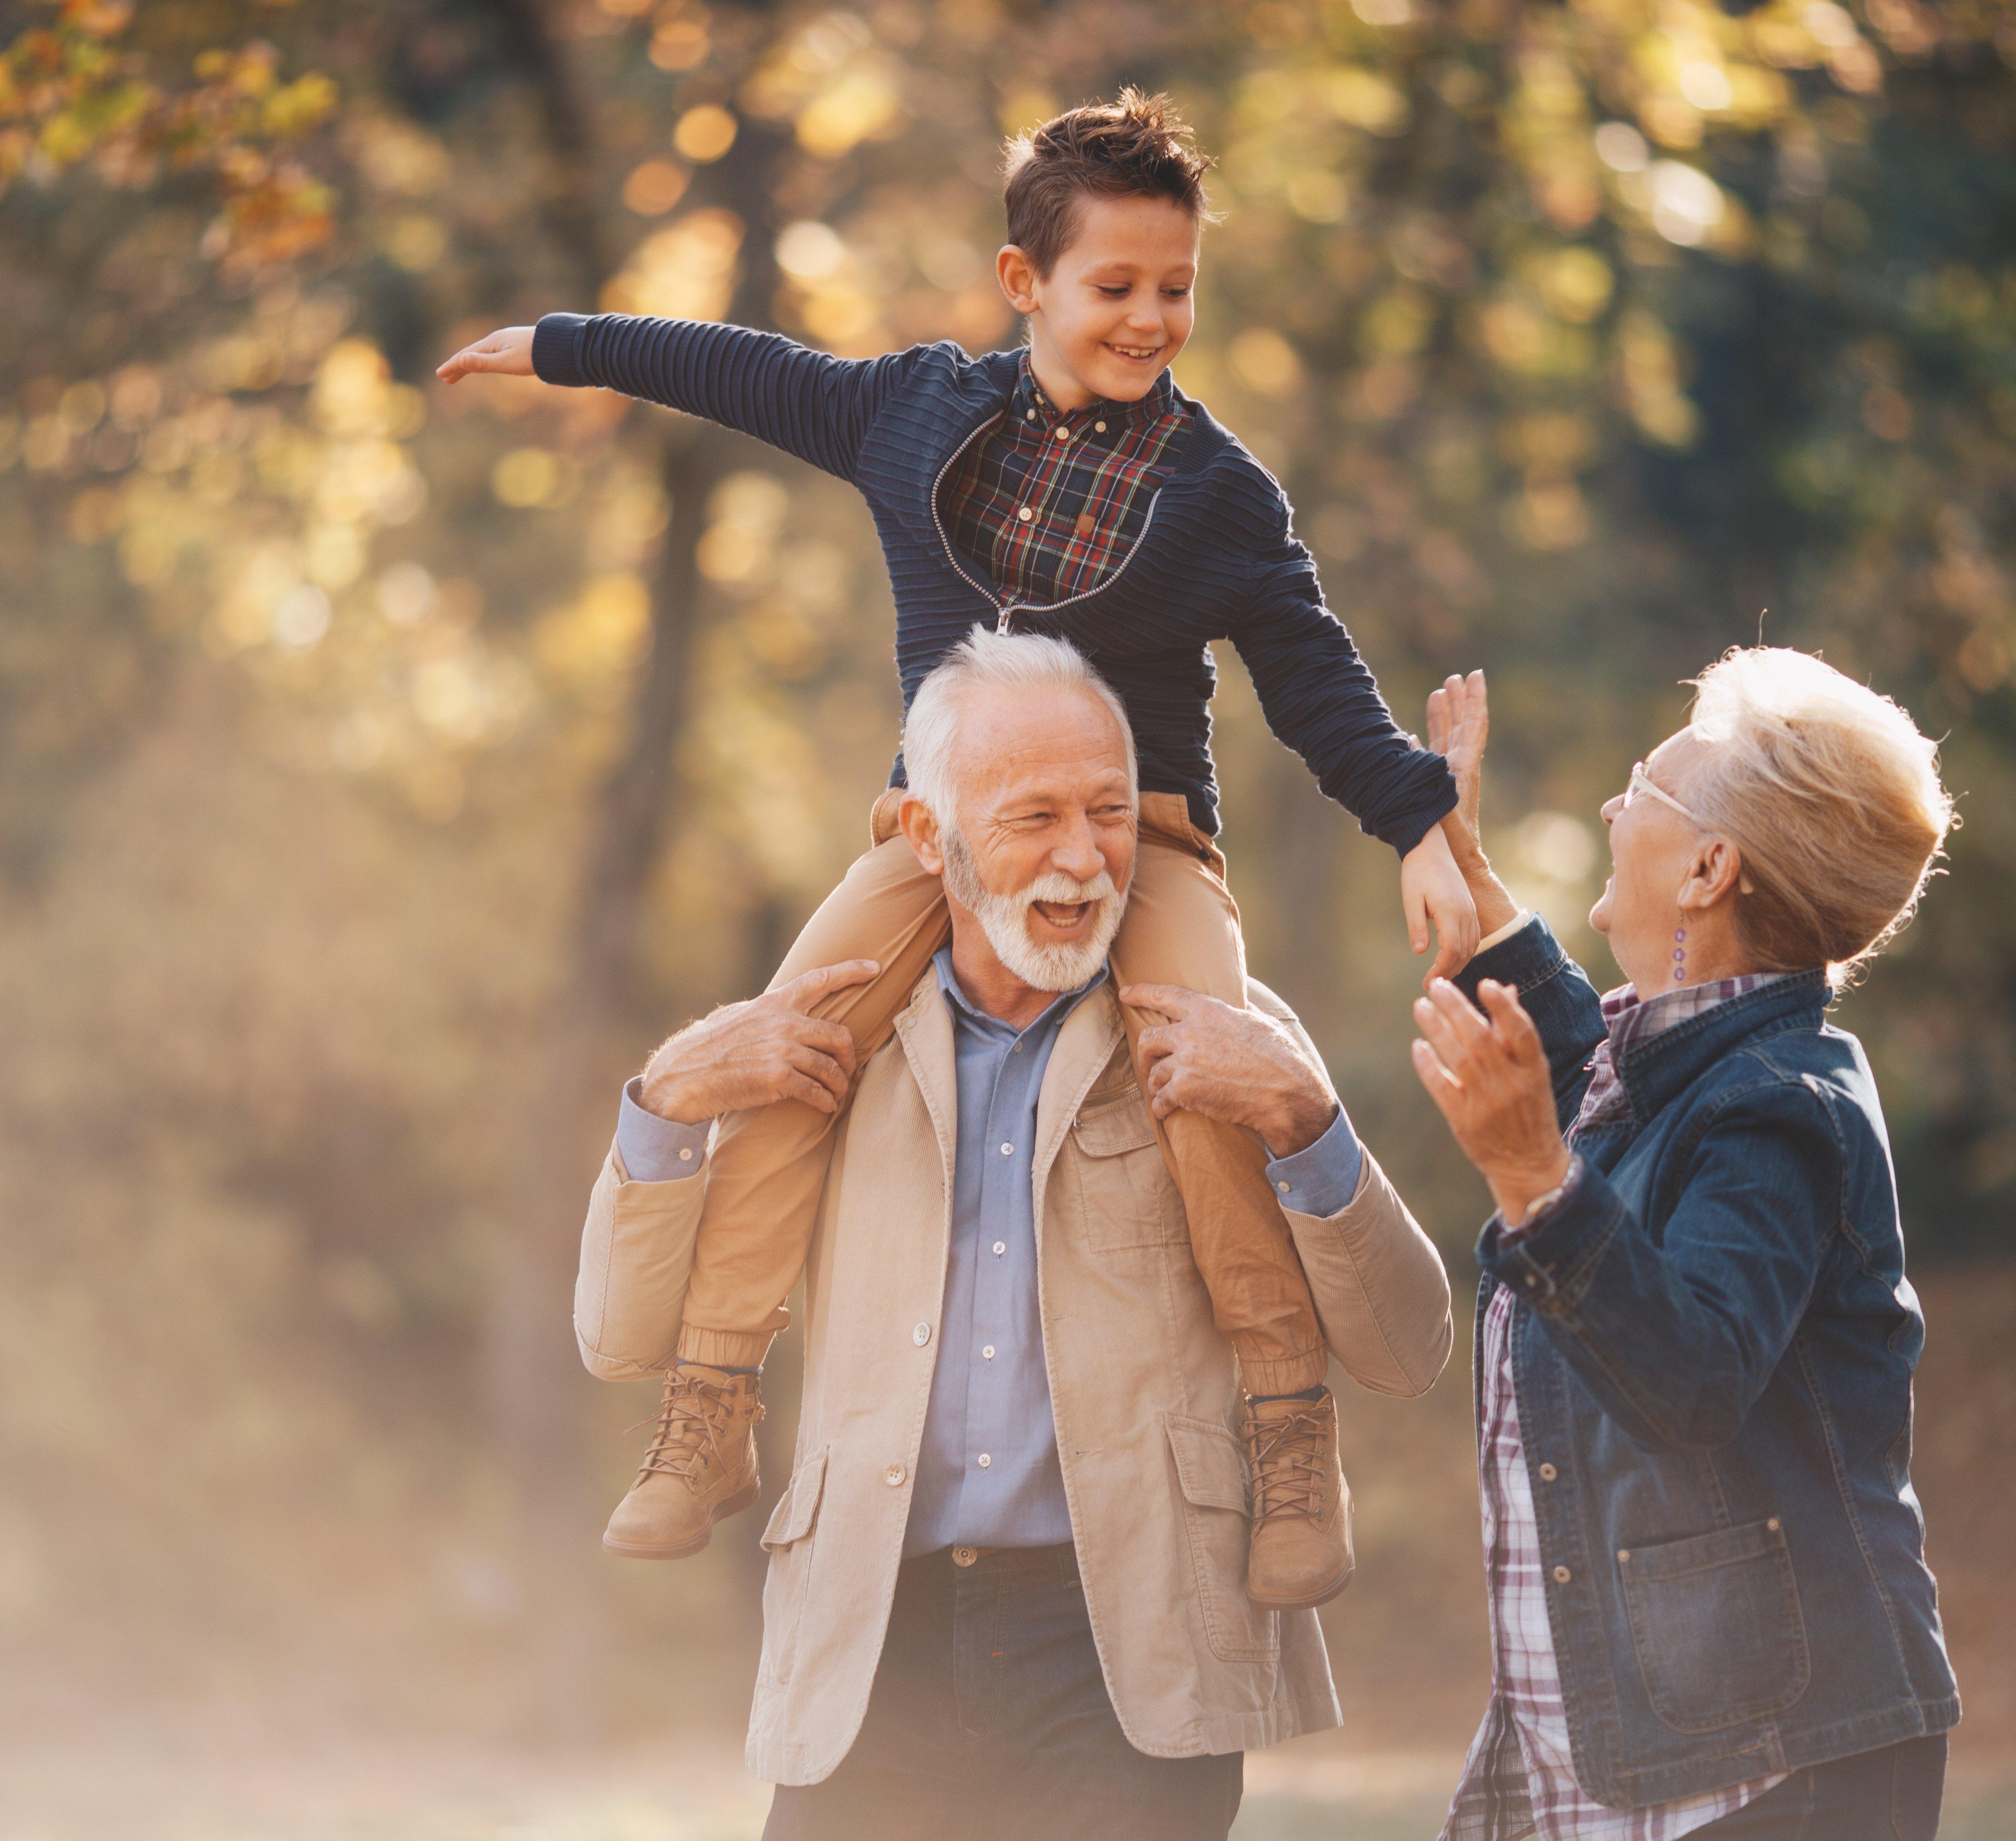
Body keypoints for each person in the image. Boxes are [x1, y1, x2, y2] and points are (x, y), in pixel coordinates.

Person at [445, 90, 1475, 1602]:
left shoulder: (1220, 495)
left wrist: (1419, 822)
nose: (1151, 319)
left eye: (1176, 289)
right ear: (1025, 284)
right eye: (1114, 288)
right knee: (792, 1047)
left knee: (1204, 1076)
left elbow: (1313, 677)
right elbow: (738, 369)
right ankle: (713, 1404)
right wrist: (562, 342)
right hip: (940, 837)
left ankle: (1286, 1434)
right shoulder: (912, 412)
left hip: (1151, 842)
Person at [574, 631, 1455, 1837]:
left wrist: (1310, 1120)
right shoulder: (832, 1041)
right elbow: (615, 1335)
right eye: (1034, 815)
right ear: (933, 841)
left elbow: (1410, 1348)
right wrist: (669, 1095)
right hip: (868, 1643)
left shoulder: (1219, 1024)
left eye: (1107, 812)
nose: (1085, 857)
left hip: (1130, 1657)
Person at [1405, 654, 1962, 1839]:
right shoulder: (1672, 1073)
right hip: (1661, 1754)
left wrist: (1532, 1178)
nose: (1614, 807)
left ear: (1712, 869)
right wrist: (1463, 857)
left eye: (1644, 785)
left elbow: (1695, 1374)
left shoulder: (1781, 1107)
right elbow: (1580, 1054)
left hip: (1777, 1775)